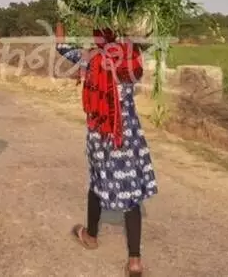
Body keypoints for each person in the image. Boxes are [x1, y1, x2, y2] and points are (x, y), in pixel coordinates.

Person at [55, 22, 157, 277]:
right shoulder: (130, 57)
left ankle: (90, 235)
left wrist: (60, 21)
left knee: (98, 182)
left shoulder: (91, 57)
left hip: (101, 134)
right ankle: (135, 261)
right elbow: (148, 37)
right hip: (127, 134)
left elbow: (61, 46)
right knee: (131, 193)